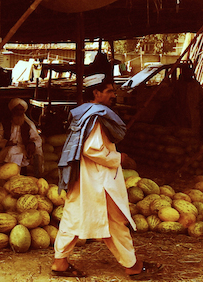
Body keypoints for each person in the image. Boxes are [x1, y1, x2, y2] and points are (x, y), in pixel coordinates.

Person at [52, 74, 162, 279]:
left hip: (84, 179)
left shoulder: (85, 113)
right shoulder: (95, 117)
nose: (114, 95)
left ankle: (61, 262)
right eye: (110, 91)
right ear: (96, 93)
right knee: (114, 221)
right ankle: (133, 266)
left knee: (73, 218)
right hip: (96, 181)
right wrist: (119, 158)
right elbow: (91, 149)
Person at [0, 98, 43, 176]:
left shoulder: (28, 124)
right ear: (12, 111)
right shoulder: (5, 123)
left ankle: (14, 175)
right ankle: (9, 174)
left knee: (16, 154)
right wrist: (6, 142)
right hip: (7, 148)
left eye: (21, 110)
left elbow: (37, 139)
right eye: (17, 110)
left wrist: (33, 144)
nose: (19, 112)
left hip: (23, 149)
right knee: (11, 151)